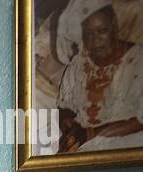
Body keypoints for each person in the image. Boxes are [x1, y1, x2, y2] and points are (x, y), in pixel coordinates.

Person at [57, 2, 143, 151]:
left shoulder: (137, 60)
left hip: (128, 148)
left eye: (102, 30)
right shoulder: (77, 65)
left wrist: (90, 134)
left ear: (114, 26)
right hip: (83, 144)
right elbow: (65, 106)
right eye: (88, 34)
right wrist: (67, 121)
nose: (95, 40)